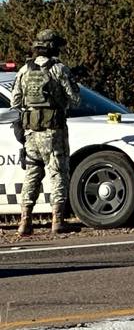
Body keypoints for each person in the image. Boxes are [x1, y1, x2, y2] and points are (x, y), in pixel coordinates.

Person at [11, 29, 82, 236]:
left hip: (31, 131)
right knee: (57, 171)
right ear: (53, 48)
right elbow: (76, 99)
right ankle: (57, 220)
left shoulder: (24, 70)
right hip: (53, 131)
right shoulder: (59, 69)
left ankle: (25, 221)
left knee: (32, 173)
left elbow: (16, 101)